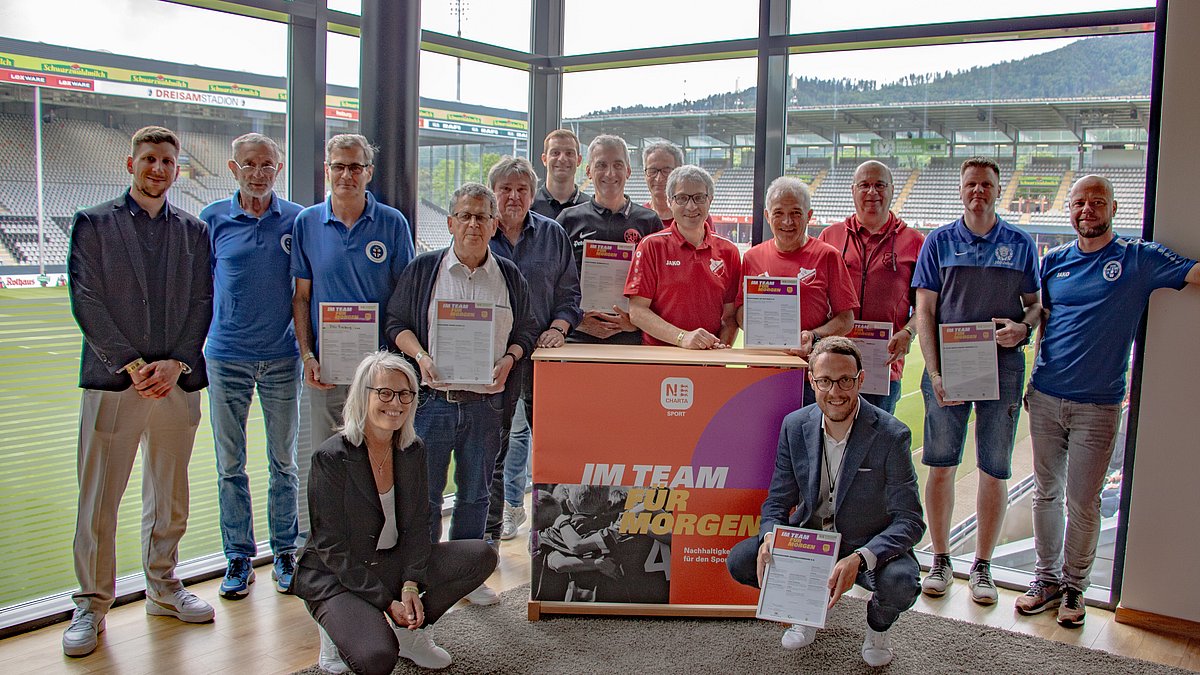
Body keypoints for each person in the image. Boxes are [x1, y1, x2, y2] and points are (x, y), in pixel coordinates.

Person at [1016, 175, 1199, 627]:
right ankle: (1045, 579)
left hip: (1097, 406)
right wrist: (1032, 380)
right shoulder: (1054, 262)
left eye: (1097, 201)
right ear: (1070, 210)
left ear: (1114, 208)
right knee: (1045, 494)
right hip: (1045, 396)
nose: (1087, 209)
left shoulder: (1137, 259)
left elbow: (1193, 272)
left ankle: (1074, 586)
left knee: (1083, 500)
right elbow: (1045, 323)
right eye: (1079, 202)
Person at [63, 126, 215, 657]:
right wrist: (132, 366)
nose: (158, 168)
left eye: (167, 161)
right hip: (114, 383)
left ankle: (163, 587)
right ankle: (91, 604)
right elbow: (86, 300)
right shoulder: (93, 223)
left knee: (170, 496)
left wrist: (176, 363)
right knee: (99, 499)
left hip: (176, 382)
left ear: (177, 169)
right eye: (149, 158)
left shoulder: (194, 231)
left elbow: (203, 301)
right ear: (131, 164)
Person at [292, 351, 498, 674]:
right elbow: (331, 548)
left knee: (482, 555)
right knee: (377, 659)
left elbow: (417, 526)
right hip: (338, 576)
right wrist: (387, 602)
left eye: (405, 394)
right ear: (363, 396)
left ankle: (410, 633)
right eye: (385, 393)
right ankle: (334, 631)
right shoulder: (331, 458)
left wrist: (410, 585)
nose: (396, 403)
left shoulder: (412, 449)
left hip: (389, 563)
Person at [726, 337, 924, 668]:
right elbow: (778, 499)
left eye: (845, 380)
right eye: (825, 381)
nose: (835, 391)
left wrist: (860, 558)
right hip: (810, 542)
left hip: (865, 544)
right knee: (741, 561)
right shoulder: (794, 426)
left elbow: (911, 520)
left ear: (861, 379)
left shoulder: (892, 435)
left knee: (901, 583)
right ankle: (805, 610)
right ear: (812, 381)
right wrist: (771, 537)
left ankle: (878, 628)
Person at [385, 182, 538, 605]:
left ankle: (463, 579)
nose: (473, 224)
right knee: (425, 497)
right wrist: (420, 357)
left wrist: (510, 358)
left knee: (475, 495)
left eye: (482, 217)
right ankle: (419, 576)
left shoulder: (509, 277)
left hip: (485, 407)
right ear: (451, 223)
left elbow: (527, 330)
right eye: (465, 216)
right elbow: (395, 323)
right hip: (433, 405)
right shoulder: (424, 270)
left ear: (494, 225)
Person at [912, 156, 1041, 605]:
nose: (978, 191)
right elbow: (925, 311)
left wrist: (1023, 328)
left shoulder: (1020, 243)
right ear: (961, 190)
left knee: (994, 468)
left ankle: (982, 566)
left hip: (1002, 368)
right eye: (971, 184)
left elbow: (1035, 305)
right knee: (941, 465)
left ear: (998, 190)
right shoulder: (939, 242)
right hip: (950, 367)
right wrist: (934, 372)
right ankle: (940, 559)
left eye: (986, 184)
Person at [200, 133, 304, 599]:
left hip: (282, 357)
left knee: (283, 463)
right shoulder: (212, 220)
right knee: (230, 465)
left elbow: (306, 289)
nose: (258, 173)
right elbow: (198, 289)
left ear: (278, 168)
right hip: (226, 359)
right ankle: (238, 558)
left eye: (266, 165)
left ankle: (284, 552)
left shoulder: (297, 219)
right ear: (233, 168)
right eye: (249, 164)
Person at [291, 133, 415, 451]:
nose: (347, 175)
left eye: (356, 167)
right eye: (339, 167)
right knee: (328, 457)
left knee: (380, 456)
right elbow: (302, 297)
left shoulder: (393, 223)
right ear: (327, 170)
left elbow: (405, 298)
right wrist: (307, 356)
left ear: (369, 172)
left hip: (380, 371)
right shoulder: (307, 223)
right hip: (327, 370)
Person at [484, 156, 582, 541]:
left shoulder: (552, 234)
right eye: (505, 189)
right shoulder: (479, 234)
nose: (514, 196)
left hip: (544, 359)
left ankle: (551, 527)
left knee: (551, 443)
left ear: (532, 194)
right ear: (493, 192)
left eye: (522, 189)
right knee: (500, 442)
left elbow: (569, 294)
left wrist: (559, 328)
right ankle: (506, 512)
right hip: (496, 360)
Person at [817, 160, 925, 413]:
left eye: (880, 185)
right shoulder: (830, 237)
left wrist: (908, 332)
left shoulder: (914, 242)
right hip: (832, 366)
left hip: (884, 366)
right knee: (827, 435)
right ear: (853, 190)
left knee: (877, 436)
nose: (872, 192)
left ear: (892, 189)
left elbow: (924, 307)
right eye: (864, 185)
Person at [738, 176, 858, 403]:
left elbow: (846, 319)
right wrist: (756, 319)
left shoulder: (827, 256)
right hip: (763, 374)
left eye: (795, 213)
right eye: (778, 213)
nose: (787, 221)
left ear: (809, 216)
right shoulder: (752, 257)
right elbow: (739, 313)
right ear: (767, 216)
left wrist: (814, 336)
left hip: (812, 378)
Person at [558, 134, 663, 344]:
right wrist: (577, 320)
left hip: (630, 340)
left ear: (628, 171)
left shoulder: (649, 222)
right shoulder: (568, 220)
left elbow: (661, 288)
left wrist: (635, 322)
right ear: (588, 171)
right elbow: (552, 283)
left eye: (618, 165)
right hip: (577, 339)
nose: (610, 173)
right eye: (601, 165)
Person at [626, 164, 741, 349]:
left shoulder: (729, 252)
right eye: (682, 198)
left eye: (699, 197)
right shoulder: (651, 246)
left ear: (710, 200)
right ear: (669, 202)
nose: (691, 206)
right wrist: (682, 338)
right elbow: (637, 310)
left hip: (707, 358)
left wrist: (720, 347)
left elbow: (729, 317)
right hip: (658, 359)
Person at [530, 129, 590, 220]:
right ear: (544, 159)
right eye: (555, 153)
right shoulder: (529, 205)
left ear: (579, 160)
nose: (562, 159)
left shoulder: (590, 208)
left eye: (569, 153)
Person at [642, 141, 684, 223]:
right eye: (652, 171)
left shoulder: (696, 218)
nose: (659, 178)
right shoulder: (637, 218)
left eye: (666, 171)